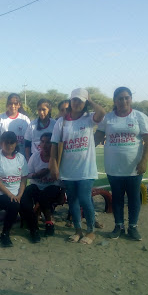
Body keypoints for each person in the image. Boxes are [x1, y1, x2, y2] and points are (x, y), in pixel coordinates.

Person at [94, 87, 148, 241]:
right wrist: (80, 151)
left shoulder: (139, 117)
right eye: (120, 98)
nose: (124, 101)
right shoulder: (108, 118)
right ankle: (118, 226)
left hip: (134, 167)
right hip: (113, 167)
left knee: (133, 198)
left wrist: (144, 160)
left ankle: (133, 227)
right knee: (118, 198)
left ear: (131, 99)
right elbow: (96, 138)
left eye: (127, 97)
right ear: (115, 101)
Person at [50, 88, 105, 245]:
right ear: (70, 101)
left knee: (85, 199)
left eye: (80, 101)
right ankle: (78, 230)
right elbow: (54, 144)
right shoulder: (62, 122)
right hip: (68, 169)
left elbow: (101, 112)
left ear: (85, 103)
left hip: (86, 169)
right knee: (72, 200)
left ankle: (91, 231)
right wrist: (53, 165)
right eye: (74, 100)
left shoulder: (89, 119)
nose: (76, 103)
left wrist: (91, 101)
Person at [0, 131, 29, 247]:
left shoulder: (20, 158)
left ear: (16, 144)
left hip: (17, 192)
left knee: (27, 203)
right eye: (6, 143)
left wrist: (20, 194)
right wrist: (10, 194)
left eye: (12, 143)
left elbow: (24, 178)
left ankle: (34, 229)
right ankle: (5, 234)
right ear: (1, 143)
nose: (9, 146)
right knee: (14, 205)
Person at [22, 133, 65, 238]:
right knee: (25, 195)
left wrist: (63, 193)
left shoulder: (58, 158)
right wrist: (37, 175)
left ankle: (49, 223)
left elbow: (64, 178)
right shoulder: (35, 156)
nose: (45, 145)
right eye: (42, 142)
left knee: (44, 196)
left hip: (53, 187)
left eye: (49, 142)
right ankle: (32, 222)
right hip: (37, 185)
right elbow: (27, 174)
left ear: (53, 144)